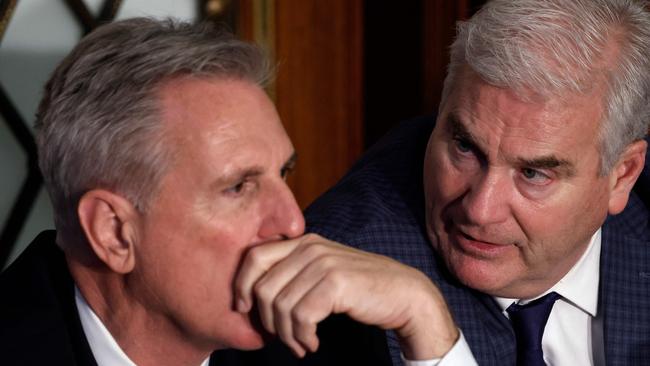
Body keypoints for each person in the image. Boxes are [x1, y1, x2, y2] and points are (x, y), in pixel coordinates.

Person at [0, 18, 460, 366]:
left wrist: (424, 317)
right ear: (114, 232)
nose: (294, 223)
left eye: (285, 173)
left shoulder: (325, 337)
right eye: (239, 187)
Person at [306, 0, 650, 365]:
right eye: (466, 147)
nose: (480, 210)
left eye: (532, 174)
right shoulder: (347, 280)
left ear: (623, 174)